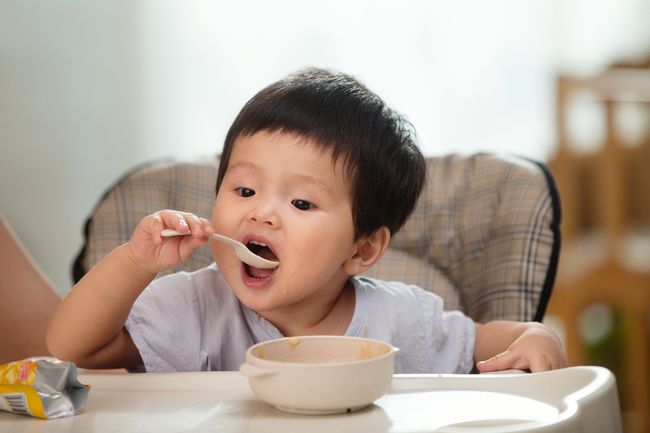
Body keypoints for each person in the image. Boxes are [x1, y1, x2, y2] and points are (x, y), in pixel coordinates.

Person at [47, 67, 566, 373]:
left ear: (361, 250)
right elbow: (71, 348)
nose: (261, 211)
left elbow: (494, 341)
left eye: (301, 204)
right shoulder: (190, 307)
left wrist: (540, 337)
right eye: (244, 189)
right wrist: (136, 262)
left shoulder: (402, 323)